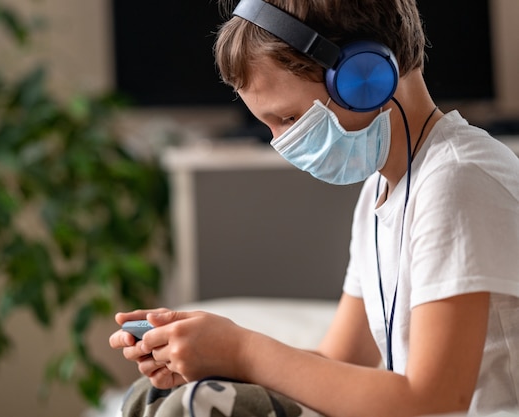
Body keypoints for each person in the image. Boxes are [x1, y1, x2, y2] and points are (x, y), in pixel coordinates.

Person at [109, 0, 519, 416]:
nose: (281, 144)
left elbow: (434, 399)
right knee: (162, 400)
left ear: (367, 78)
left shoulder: (458, 179)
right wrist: (214, 359)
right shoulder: (383, 189)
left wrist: (244, 351)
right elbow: (340, 361)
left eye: (287, 118)